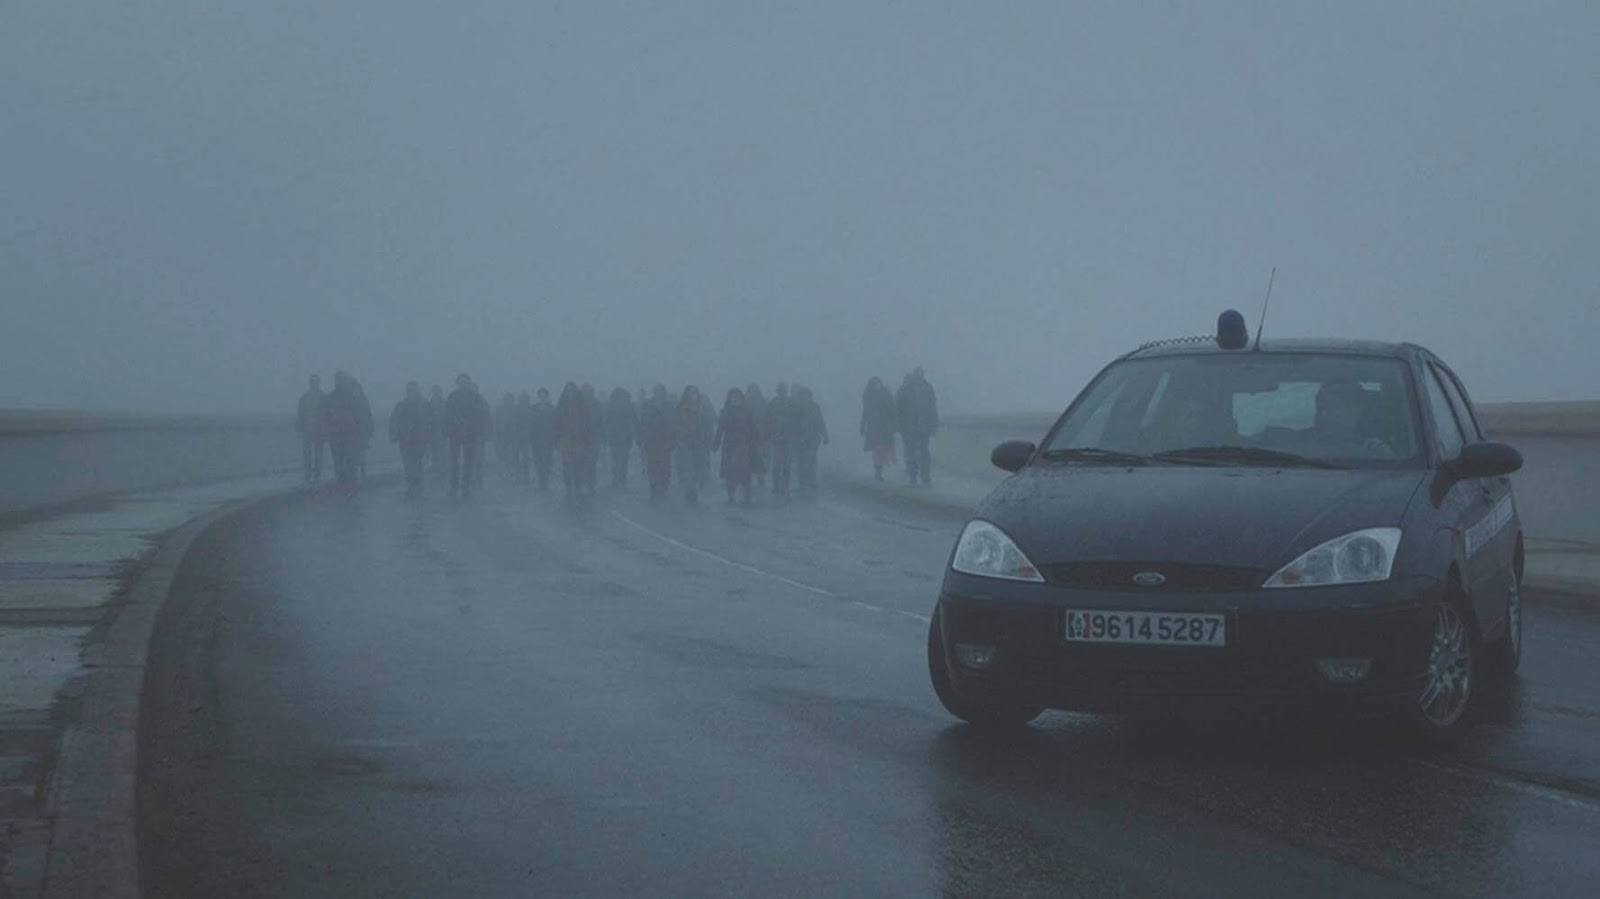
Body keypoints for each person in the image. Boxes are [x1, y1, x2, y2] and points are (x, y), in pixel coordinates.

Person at [444, 373, 491, 497]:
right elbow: (447, 415)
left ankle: (466, 488)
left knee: (468, 463)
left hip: (471, 434)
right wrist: (449, 430)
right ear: (457, 383)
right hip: (455, 434)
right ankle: (454, 487)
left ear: (468, 383)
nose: (463, 384)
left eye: (465, 382)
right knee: (454, 463)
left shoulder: (476, 397)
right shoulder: (452, 397)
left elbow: (481, 416)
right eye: (461, 382)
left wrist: (479, 431)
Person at [713, 388, 763, 504]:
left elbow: (753, 427)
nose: (735, 400)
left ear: (741, 399)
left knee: (745, 472)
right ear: (729, 399)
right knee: (730, 474)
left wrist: (757, 440)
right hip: (729, 446)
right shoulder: (725, 412)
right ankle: (731, 495)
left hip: (744, 446)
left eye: (738, 398)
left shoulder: (746, 412)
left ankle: (747, 495)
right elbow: (720, 429)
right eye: (733, 397)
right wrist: (716, 442)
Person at [322, 371, 368, 489]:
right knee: (338, 464)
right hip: (336, 436)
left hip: (352, 436)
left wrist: (363, 433)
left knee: (351, 463)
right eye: (338, 379)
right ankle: (341, 487)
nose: (340, 382)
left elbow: (363, 416)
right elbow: (325, 416)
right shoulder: (331, 397)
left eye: (343, 379)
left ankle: (352, 487)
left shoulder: (355, 397)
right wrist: (328, 430)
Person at [896, 367, 939, 486]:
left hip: (923, 426)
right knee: (912, 452)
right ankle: (913, 475)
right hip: (909, 427)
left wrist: (933, 424)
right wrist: (900, 426)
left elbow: (932, 408)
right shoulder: (905, 390)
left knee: (923, 451)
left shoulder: (927, 388)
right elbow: (898, 410)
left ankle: (925, 475)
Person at [389, 381, 431, 496]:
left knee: (418, 464)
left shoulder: (425, 405)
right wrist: (394, 434)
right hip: (405, 440)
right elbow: (394, 421)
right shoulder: (401, 405)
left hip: (420, 440)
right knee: (408, 464)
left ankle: (418, 487)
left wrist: (430, 438)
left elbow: (431, 422)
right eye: (409, 390)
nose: (412, 392)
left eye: (414, 390)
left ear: (417, 391)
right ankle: (411, 487)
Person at [674, 386, 714, 504]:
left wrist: (708, 440)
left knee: (698, 470)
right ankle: (690, 492)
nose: (693, 395)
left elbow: (710, 424)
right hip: (685, 443)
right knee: (687, 469)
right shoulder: (680, 409)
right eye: (691, 393)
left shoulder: (703, 409)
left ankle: (694, 488)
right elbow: (675, 424)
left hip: (700, 444)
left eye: (695, 393)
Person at [556, 382, 595, 499]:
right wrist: (558, 438)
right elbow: (556, 424)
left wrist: (587, 439)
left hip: (580, 440)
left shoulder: (582, 406)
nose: (570, 393)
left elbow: (588, 423)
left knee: (579, 464)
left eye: (572, 390)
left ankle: (577, 486)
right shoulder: (561, 405)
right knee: (567, 465)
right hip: (566, 439)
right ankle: (568, 487)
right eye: (568, 390)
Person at [637, 384, 676, 502]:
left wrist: (673, 439)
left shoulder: (670, 406)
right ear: (654, 393)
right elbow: (641, 423)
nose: (659, 394)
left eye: (661, 392)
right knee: (652, 467)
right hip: (651, 441)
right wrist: (639, 437)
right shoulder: (647, 406)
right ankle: (654, 491)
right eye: (657, 392)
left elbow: (674, 423)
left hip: (666, 442)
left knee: (665, 468)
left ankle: (663, 489)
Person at [765, 383, 801, 499]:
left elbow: (798, 418)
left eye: (783, 391)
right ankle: (776, 486)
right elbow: (767, 420)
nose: (781, 393)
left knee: (786, 464)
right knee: (777, 465)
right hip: (776, 439)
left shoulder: (792, 403)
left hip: (789, 438)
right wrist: (768, 434)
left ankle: (784, 486)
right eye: (780, 390)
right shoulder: (773, 403)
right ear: (777, 391)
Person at [860, 376, 898, 481]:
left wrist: (895, 425)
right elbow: (865, 413)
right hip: (874, 428)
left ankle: (885, 464)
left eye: (878, 383)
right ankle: (878, 472)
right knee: (876, 450)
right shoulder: (868, 397)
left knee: (884, 448)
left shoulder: (886, 395)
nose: (876, 386)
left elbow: (893, 411)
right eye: (874, 384)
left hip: (885, 427)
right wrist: (862, 426)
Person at [794, 385, 829, 497]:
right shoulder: (796, 408)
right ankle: (803, 482)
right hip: (799, 438)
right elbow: (792, 423)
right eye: (802, 395)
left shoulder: (815, 407)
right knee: (801, 461)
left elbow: (820, 420)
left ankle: (811, 480)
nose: (805, 397)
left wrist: (825, 435)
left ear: (810, 396)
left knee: (811, 460)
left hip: (813, 438)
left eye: (807, 395)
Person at [296, 374, 327, 483]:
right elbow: (300, 414)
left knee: (318, 453)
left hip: (319, 429)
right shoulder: (304, 397)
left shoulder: (323, 397)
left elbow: (327, 415)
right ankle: (308, 474)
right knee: (307, 453)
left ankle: (317, 474)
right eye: (312, 382)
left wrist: (326, 429)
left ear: (318, 383)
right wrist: (299, 428)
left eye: (315, 381)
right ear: (310, 383)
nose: (314, 384)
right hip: (307, 429)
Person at [605, 387, 638, 488]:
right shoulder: (613, 406)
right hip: (618, 437)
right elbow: (606, 421)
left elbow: (634, 421)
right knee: (619, 460)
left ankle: (619, 480)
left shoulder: (626, 406)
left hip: (622, 437)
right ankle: (619, 480)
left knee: (621, 460)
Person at [528, 387, 556, 490]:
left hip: (548, 440)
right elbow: (530, 424)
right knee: (538, 461)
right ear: (538, 396)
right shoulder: (533, 409)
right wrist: (530, 436)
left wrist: (554, 438)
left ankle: (545, 481)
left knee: (547, 461)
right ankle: (541, 480)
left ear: (547, 396)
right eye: (541, 395)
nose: (542, 397)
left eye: (544, 395)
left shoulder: (552, 409)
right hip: (536, 440)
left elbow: (555, 425)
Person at [350, 375, 375, 480]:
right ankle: (355, 472)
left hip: (362, 430)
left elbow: (368, 414)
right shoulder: (349, 399)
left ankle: (363, 472)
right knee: (353, 453)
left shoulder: (363, 399)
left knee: (362, 452)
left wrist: (370, 429)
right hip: (351, 430)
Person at [582, 384, 604, 494]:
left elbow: (601, 422)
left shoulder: (597, 405)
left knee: (592, 463)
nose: (587, 393)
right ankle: (584, 483)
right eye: (585, 391)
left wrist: (601, 436)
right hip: (580, 440)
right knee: (582, 462)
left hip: (594, 439)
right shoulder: (577, 404)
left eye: (589, 391)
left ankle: (591, 484)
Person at [745, 383, 769, 489]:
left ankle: (760, 479)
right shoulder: (744, 403)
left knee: (759, 458)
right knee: (746, 458)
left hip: (759, 435)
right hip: (747, 436)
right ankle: (746, 479)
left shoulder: (763, 402)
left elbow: (767, 418)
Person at [512, 391, 535, 483]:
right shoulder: (518, 409)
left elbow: (533, 423)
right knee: (517, 458)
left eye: (525, 398)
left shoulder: (530, 409)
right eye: (522, 398)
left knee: (524, 458)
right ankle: (520, 476)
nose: (523, 400)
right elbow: (512, 423)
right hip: (518, 437)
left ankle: (524, 476)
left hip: (525, 437)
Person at [494, 393, 518, 480]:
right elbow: (495, 422)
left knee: (512, 456)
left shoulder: (516, 409)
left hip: (513, 436)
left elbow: (519, 423)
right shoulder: (499, 409)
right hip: (502, 436)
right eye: (507, 399)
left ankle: (512, 474)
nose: (508, 401)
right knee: (502, 456)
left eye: (510, 399)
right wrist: (495, 435)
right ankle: (504, 474)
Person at [426, 385, 447, 481]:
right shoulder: (428, 404)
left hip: (442, 432)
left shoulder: (445, 404)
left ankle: (442, 472)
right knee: (434, 451)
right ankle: (436, 470)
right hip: (432, 433)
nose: (436, 393)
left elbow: (448, 417)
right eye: (435, 392)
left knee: (442, 453)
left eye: (438, 391)